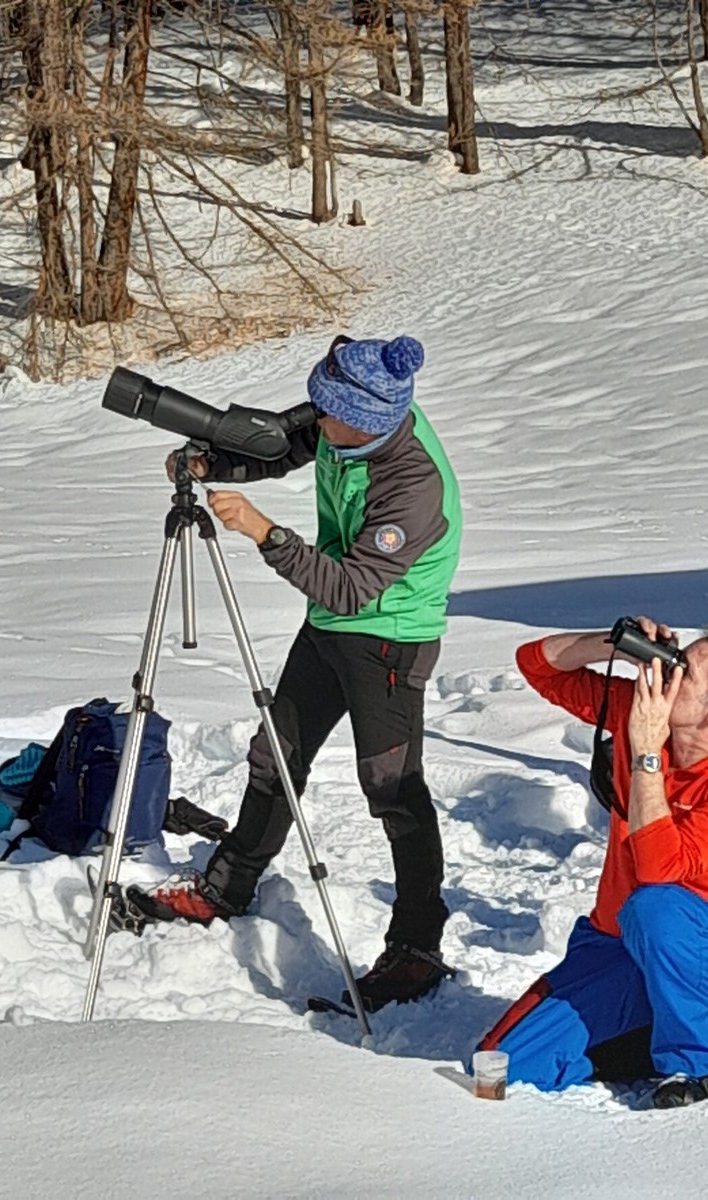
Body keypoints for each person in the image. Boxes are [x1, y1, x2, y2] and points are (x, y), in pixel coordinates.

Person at [129, 334, 462, 1013]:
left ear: (368, 419)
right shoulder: (347, 425)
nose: (317, 417)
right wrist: (209, 458)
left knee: (391, 787)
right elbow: (283, 444)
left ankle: (418, 948)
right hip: (330, 629)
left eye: (327, 411)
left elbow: (348, 587)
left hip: (389, 642)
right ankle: (226, 887)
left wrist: (263, 532)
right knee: (275, 756)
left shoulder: (412, 483)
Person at [475, 618, 708, 1107]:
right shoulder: (642, 714)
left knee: (657, 907)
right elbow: (537, 665)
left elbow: (660, 870)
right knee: (502, 1064)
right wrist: (616, 643)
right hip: (617, 943)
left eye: (685, 672)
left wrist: (645, 755)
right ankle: (647, 1032)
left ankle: (703, 1066)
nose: (668, 674)